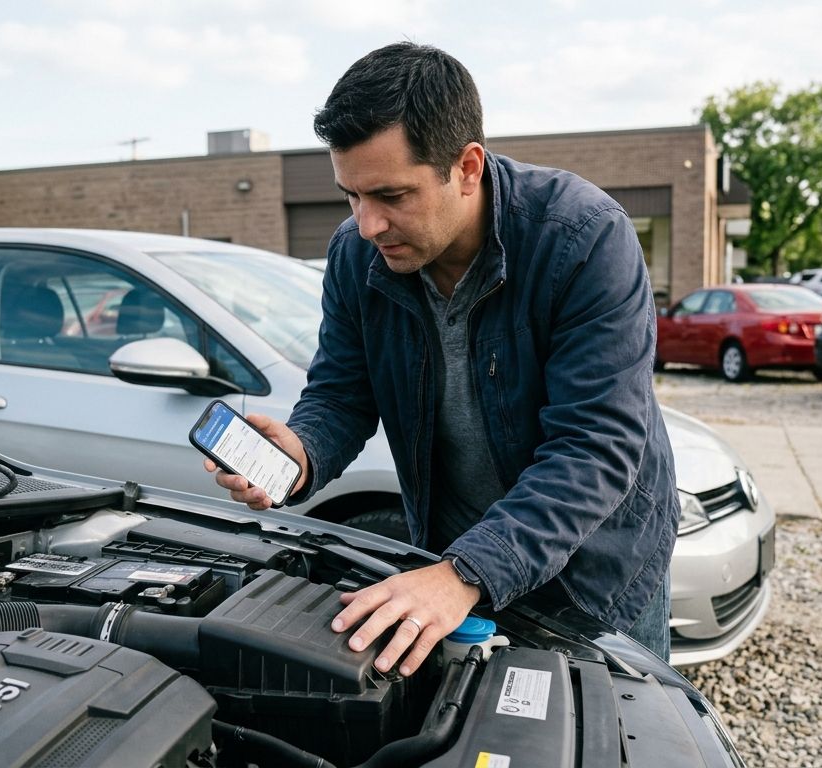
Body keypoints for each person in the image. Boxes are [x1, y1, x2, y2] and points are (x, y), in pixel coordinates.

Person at [203, 42, 679, 676]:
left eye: (392, 196)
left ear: (467, 167)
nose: (368, 223)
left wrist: (464, 573)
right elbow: (342, 395)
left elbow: (593, 447)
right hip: (453, 563)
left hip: (593, 571)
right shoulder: (357, 254)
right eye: (351, 196)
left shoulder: (584, 238)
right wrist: (300, 455)